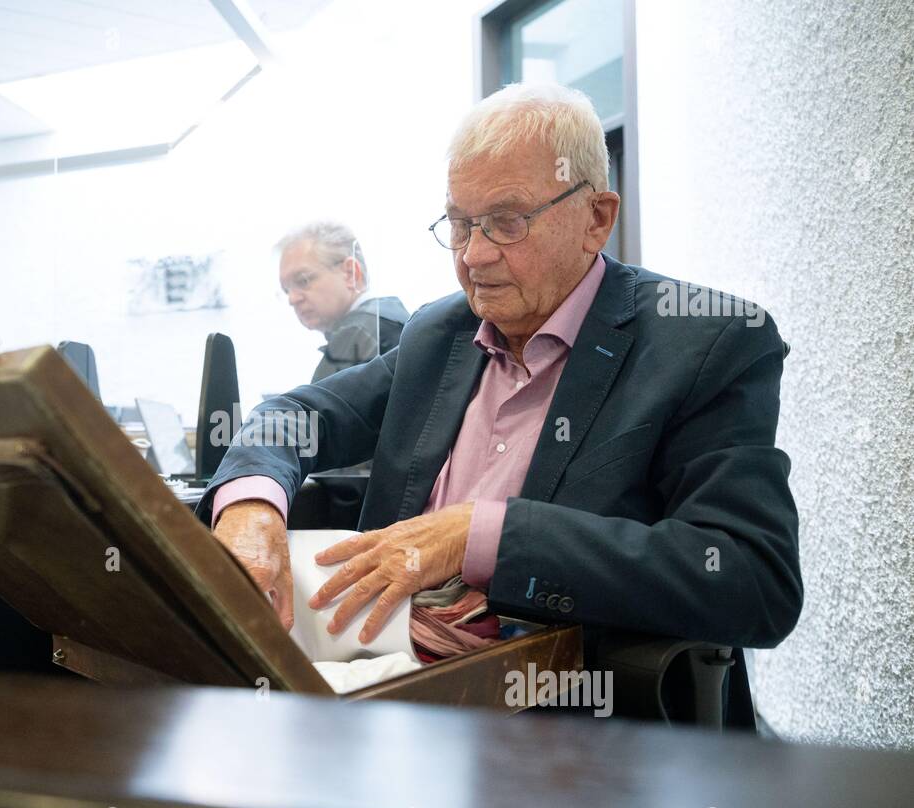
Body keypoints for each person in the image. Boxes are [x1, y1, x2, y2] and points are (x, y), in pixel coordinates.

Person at [197, 83, 802, 728]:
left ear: (597, 217)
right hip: (378, 679)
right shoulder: (441, 334)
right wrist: (252, 505)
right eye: (459, 224)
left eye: (507, 222)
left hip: (560, 730)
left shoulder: (705, 342)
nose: (474, 256)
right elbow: (297, 415)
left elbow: (750, 579)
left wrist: (480, 534)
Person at [276, 222, 408, 382]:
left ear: (350, 273)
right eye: (286, 290)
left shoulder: (358, 332)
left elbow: (317, 407)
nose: (292, 299)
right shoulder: (393, 319)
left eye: (303, 280)